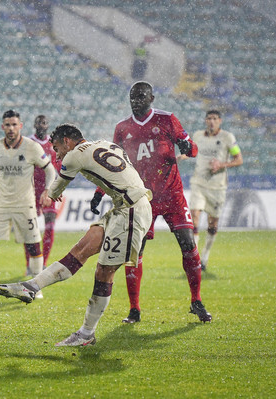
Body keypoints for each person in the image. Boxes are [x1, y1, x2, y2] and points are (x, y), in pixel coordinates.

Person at [0, 123, 153, 347]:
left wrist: (49, 193)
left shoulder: (73, 156)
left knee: (104, 272)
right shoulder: (104, 144)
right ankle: (30, 287)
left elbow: (55, 191)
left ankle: (86, 334)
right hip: (124, 206)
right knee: (80, 250)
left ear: (67, 141)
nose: (56, 153)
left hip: (132, 211)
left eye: (57, 147)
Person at [90, 81, 212, 323]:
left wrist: (189, 147)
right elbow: (112, 165)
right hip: (141, 199)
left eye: (141, 96)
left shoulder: (167, 120)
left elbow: (192, 148)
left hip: (172, 196)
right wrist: (99, 191)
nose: (136, 100)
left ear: (152, 98)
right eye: (133, 96)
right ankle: (134, 309)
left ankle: (196, 300)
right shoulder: (122, 128)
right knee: (135, 252)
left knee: (188, 244)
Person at [0, 110, 56, 298]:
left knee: (33, 246)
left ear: (20, 126)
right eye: (7, 125)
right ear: (2, 127)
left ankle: (36, 285)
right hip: (2, 204)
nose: (11, 128)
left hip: (25, 204)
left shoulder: (32, 147)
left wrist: (47, 191)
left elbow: (50, 170)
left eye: (14, 124)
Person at [178, 110, 242, 271]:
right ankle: (196, 258)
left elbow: (238, 159)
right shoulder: (198, 135)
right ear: (205, 121)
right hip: (198, 183)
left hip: (217, 187)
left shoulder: (228, 138)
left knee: (212, 225)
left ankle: (205, 256)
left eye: (214, 119)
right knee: (194, 218)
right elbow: (193, 152)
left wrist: (221, 165)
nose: (211, 122)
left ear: (220, 121)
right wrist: (182, 157)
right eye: (209, 119)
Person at [24, 115, 62, 274]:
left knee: (50, 226)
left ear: (48, 126)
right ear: (34, 125)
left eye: (44, 123)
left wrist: (58, 188)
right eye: (39, 122)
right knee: (29, 229)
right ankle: (29, 264)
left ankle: (43, 263)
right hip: (31, 190)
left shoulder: (53, 145)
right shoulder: (27, 143)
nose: (42, 125)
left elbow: (57, 167)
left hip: (48, 189)